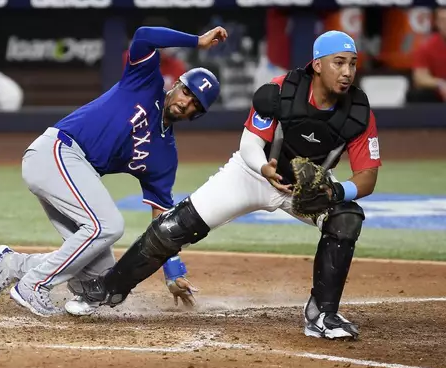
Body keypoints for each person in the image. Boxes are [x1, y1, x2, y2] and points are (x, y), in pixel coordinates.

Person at [69, 30, 382, 341]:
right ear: (317, 64)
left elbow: (367, 177)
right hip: (251, 174)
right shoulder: (281, 91)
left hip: (305, 187)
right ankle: (106, 290)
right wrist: (263, 167)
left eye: (352, 64)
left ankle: (322, 314)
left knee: (346, 217)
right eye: (339, 62)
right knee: (170, 229)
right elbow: (249, 145)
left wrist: (335, 192)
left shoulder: (357, 112)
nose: (347, 72)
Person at [0, 25, 227, 317]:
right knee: (107, 225)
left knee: (99, 276)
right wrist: (197, 41)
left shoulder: (165, 157)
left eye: (195, 104)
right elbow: (145, 34)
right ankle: (33, 285)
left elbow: (162, 223)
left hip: (74, 172)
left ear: (196, 116)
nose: (186, 102)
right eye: (187, 91)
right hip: (57, 152)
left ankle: (13, 265)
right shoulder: (145, 82)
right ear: (175, 85)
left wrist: (173, 272)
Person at [408, 8, 446, 103]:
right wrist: (440, 84)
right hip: (438, 93)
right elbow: (420, 77)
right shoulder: (426, 47)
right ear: (436, 23)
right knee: (416, 95)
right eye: (443, 20)